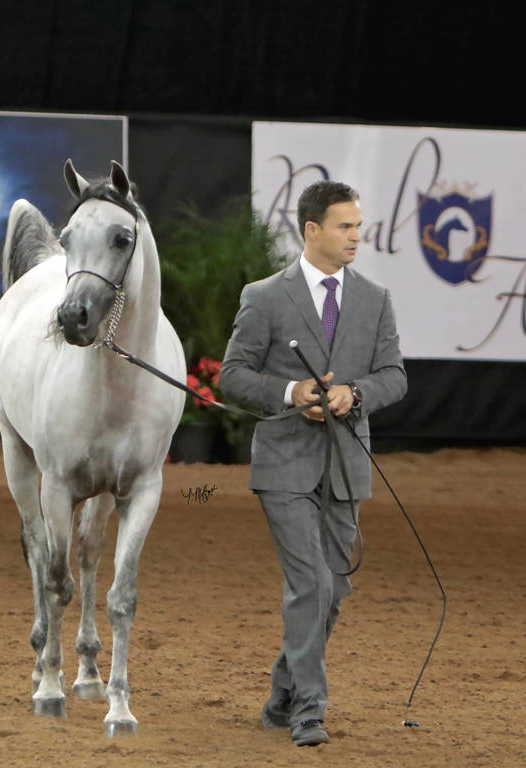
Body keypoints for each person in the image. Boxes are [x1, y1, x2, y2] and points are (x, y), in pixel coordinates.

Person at [219, 180, 407, 747]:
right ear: (312, 230)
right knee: (311, 584)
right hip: (284, 467)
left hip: (346, 465)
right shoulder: (265, 296)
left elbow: (395, 376)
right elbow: (232, 375)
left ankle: (280, 692)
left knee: (334, 590)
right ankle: (309, 709)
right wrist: (291, 391)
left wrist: (356, 393)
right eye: (345, 226)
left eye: (358, 225)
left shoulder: (375, 298)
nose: (357, 235)